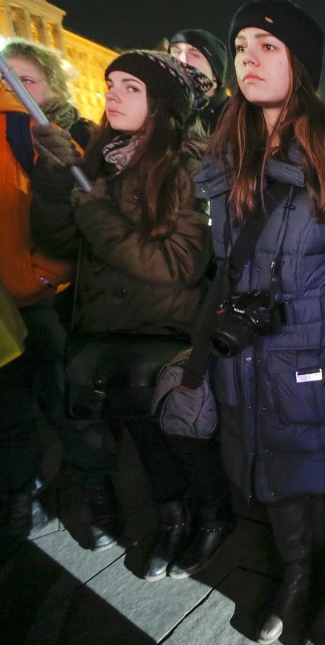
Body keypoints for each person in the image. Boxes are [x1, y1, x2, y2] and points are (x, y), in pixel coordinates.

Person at [196, 0, 325, 645]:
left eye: (268, 46)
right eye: (241, 46)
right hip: (246, 370)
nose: (248, 57)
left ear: (300, 67)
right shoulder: (227, 163)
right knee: (275, 486)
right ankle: (296, 577)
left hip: (315, 374)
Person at [29, 50, 234, 580]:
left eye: (131, 87)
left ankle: (214, 516)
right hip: (109, 336)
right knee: (145, 440)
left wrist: (95, 214)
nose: (113, 93)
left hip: (166, 336)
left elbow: (180, 264)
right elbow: (54, 243)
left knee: (182, 435)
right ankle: (172, 515)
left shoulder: (189, 164)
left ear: (161, 104)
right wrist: (56, 183)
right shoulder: (101, 156)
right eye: (111, 83)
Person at [0, 39, 95, 549]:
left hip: (45, 296)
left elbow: (72, 216)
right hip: (3, 306)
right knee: (11, 411)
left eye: (24, 80)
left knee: (65, 401)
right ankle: (22, 492)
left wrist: (43, 274)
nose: (10, 88)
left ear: (52, 88)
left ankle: (96, 493)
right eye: (4, 77)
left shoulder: (45, 134)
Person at [168, 28, 230, 133]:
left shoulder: (240, 119)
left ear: (214, 75)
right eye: (176, 52)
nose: (181, 59)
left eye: (194, 54)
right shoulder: (161, 115)